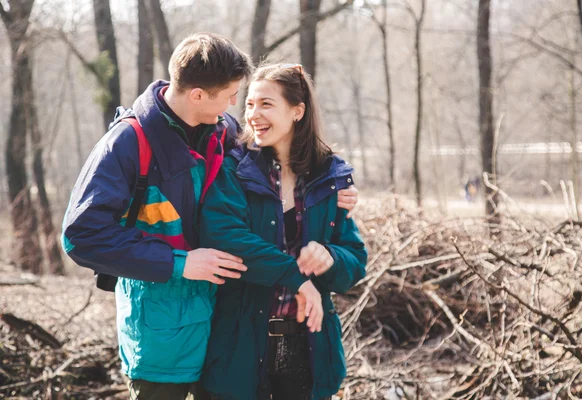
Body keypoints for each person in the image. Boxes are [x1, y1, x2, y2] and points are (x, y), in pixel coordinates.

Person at [61, 34, 358, 400]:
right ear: (198, 95)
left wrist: (338, 189)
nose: (238, 106)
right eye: (232, 95)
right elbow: (81, 235)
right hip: (163, 330)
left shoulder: (227, 133)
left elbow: (290, 172)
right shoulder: (126, 143)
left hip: (224, 328)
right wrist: (179, 263)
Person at [197, 64, 368, 400]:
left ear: (297, 111)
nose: (253, 115)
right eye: (249, 104)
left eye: (266, 104)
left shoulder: (328, 178)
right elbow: (226, 238)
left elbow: (355, 264)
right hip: (240, 349)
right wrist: (297, 277)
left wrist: (331, 258)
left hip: (309, 351)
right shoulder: (233, 169)